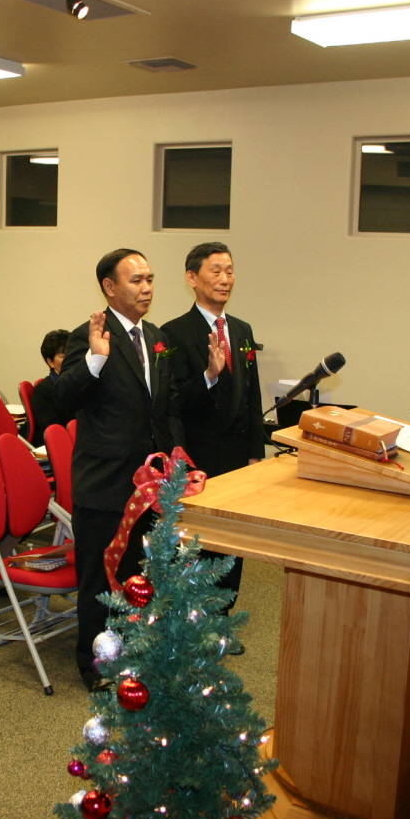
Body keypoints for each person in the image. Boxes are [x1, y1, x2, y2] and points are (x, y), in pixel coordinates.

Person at [55, 248, 183, 691]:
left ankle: (135, 651)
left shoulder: (156, 337)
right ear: (109, 287)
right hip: (105, 482)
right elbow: (61, 400)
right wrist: (94, 360)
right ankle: (95, 665)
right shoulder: (88, 336)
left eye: (150, 279)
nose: (147, 288)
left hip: (150, 482)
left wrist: (173, 463)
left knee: (141, 572)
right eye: (137, 280)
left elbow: (165, 407)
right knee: (99, 578)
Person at [160, 242, 266, 615]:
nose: (225, 279)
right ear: (192, 278)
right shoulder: (173, 333)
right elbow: (173, 403)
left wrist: (256, 454)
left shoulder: (242, 330)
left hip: (238, 459)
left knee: (233, 545)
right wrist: (209, 375)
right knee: (200, 549)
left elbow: (252, 396)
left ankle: (222, 619)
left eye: (230, 271)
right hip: (200, 458)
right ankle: (195, 624)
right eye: (216, 271)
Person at [28, 329, 73, 447]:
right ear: (51, 362)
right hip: (55, 447)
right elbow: (53, 431)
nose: (71, 359)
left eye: (72, 354)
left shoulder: (79, 384)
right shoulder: (43, 391)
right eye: (64, 356)